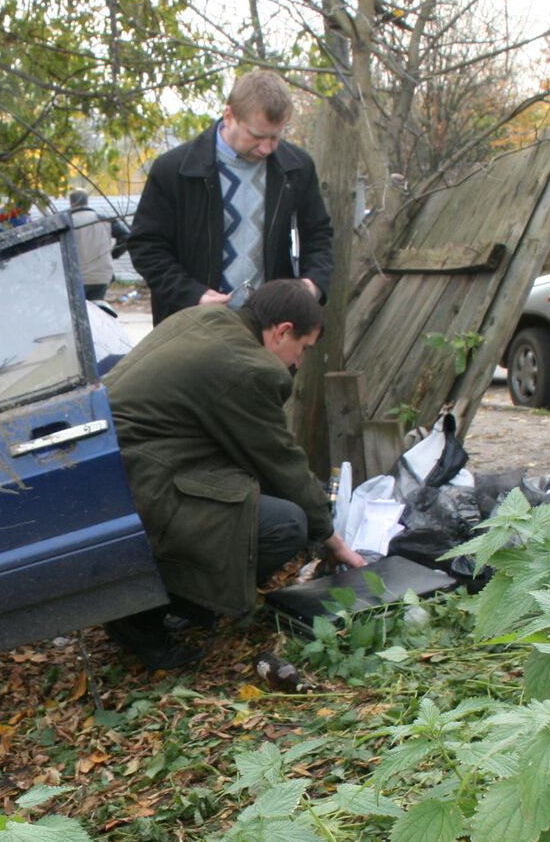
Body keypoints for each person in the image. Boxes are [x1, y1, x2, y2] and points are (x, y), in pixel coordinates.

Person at [101, 279, 366, 667]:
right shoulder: (249, 367)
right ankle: (141, 615)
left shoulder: (204, 318)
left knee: (253, 494)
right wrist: (331, 539)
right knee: (285, 525)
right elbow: (281, 462)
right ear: (282, 332)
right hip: (144, 485)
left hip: (114, 471)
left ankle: (158, 601)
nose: (297, 363)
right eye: (303, 350)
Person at [126, 70, 334, 326]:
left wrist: (312, 284)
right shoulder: (175, 170)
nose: (267, 147)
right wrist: (193, 295)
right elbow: (146, 247)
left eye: (276, 136)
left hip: (271, 329)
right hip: (189, 328)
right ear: (229, 117)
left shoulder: (297, 168)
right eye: (257, 136)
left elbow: (319, 235)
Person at [68, 189, 129, 301]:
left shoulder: (68, 223)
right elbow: (127, 237)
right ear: (87, 201)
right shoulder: (105, 220)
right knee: (97, 311)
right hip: (101, 276)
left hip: (76, 278)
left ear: (71, 202)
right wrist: (112, 255)